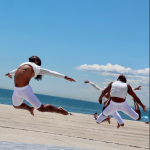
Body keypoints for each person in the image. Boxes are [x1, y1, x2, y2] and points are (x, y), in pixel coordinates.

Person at [5, 56, 76, 116]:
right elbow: (16, 71)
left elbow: (50, 73)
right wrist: (9, 73)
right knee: (16, 106)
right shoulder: (23, 65)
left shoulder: (36, 68)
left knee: (42, 109)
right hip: (16, 90)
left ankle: (59, 110)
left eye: (36, 57)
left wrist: (64, 77)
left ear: (37, 62)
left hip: (25, 90)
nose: (33, 56)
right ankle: (30, 108)